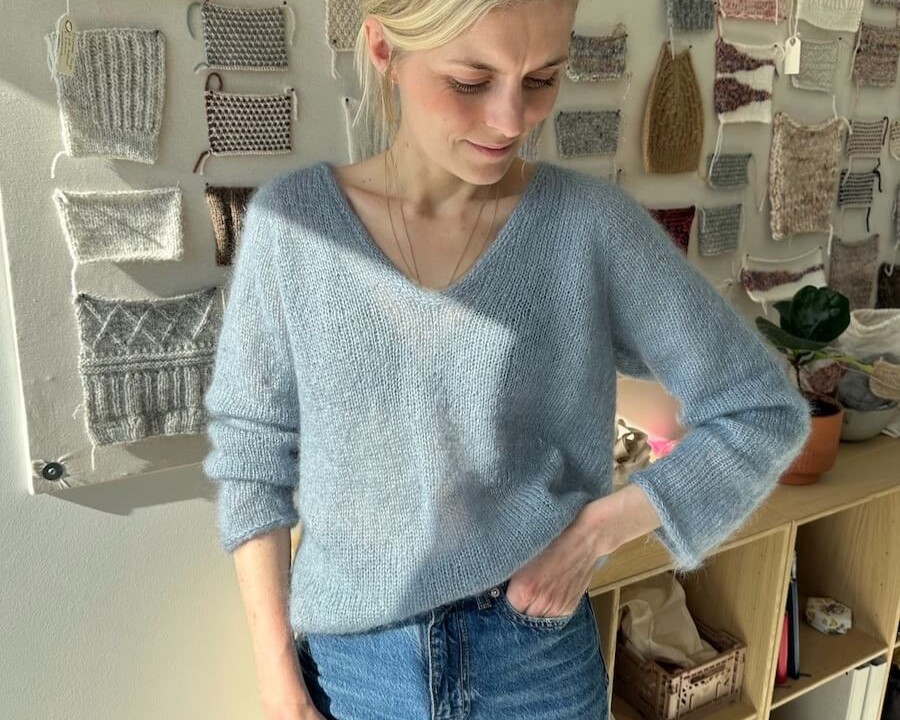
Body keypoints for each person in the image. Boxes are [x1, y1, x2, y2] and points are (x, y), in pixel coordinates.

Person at [201, 0, 811, 718]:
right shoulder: (294, 227)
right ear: (383, 50)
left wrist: (597, 531)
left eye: (541, 79)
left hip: (535, 667)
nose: (510, 120)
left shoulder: (589, 228)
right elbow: (253, 457)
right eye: (470, 81)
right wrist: (278, 681)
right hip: (353, 675)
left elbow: (762, 411)